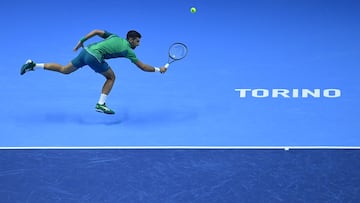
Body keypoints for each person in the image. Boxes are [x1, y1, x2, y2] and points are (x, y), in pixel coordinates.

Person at [20, 29, 167, 114]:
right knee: (111, 77)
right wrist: (158, 69)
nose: (138, 44)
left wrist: (81, 41)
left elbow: (97, 31)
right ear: (131, 39)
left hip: (86, 51)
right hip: (94, 57)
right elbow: (142, 67)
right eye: (137, 41)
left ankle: (33, 65)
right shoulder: (127, 50)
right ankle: (101, 104)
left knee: (65, 70)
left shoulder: (114, 36)